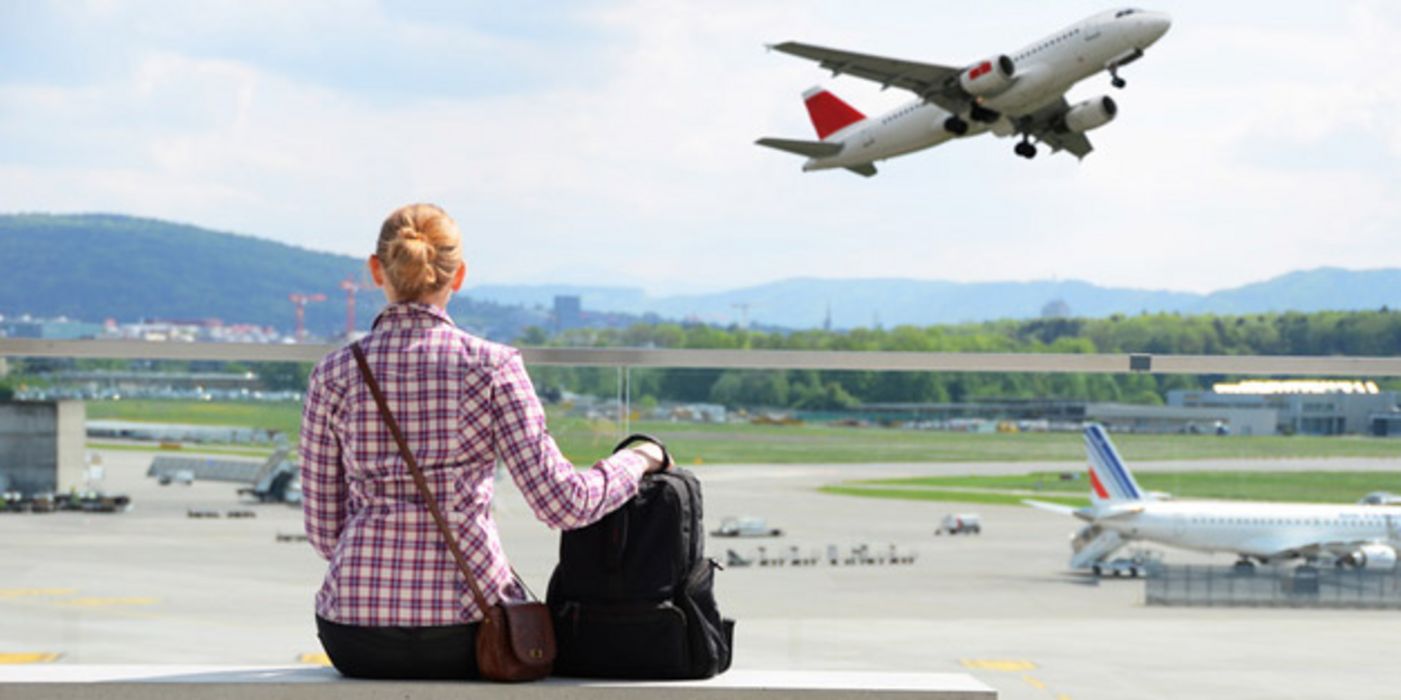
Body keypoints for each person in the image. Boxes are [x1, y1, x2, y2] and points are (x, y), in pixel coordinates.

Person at [299, 203, 667, 680]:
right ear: (459, 276)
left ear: (376, 270)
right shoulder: (492, 367)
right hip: (470, 628)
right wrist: (636, 459)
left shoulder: (333, 374)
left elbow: (325, 530)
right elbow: (562, 504)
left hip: (353, 633)